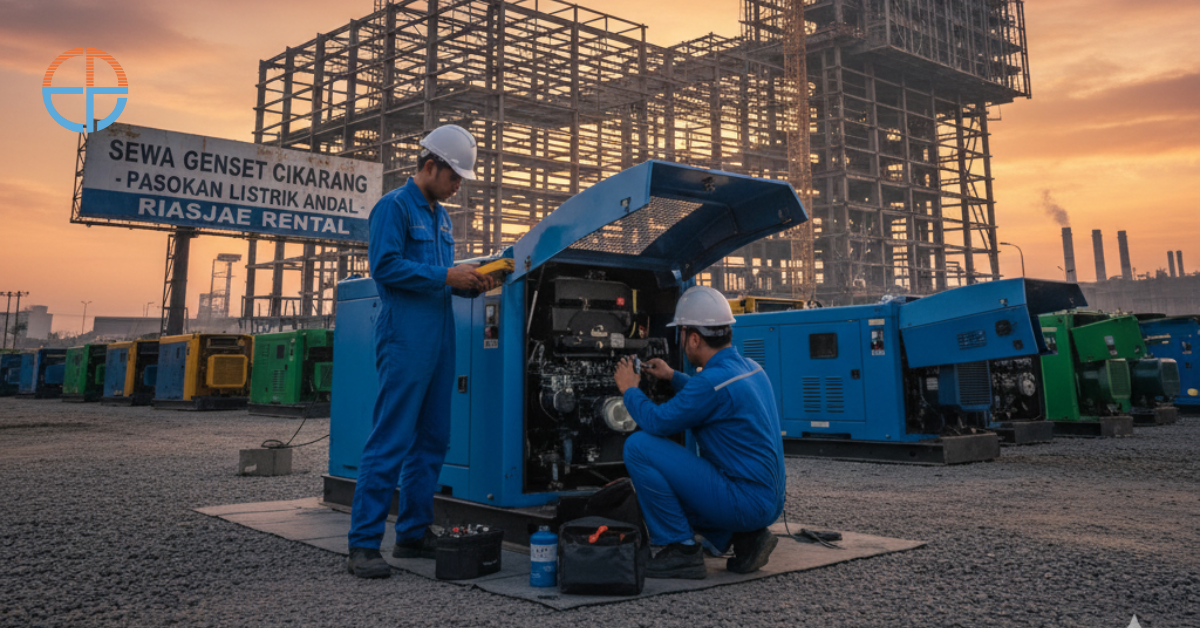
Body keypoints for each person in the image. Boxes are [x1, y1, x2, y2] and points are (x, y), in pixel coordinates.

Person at [346, 125, 497, 579]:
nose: (458, 186)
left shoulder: (440, 217)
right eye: (455, 177)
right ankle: (364, 544)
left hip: (440, 335)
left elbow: (437, 275)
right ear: (430, 166)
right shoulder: (393, 208)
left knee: (434, 438)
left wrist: (471, 282)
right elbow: (385, 266)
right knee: (391, 436)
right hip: (405, 337)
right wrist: (448, 276)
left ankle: (413, 532)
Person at [612, 285, 786, 580]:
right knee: (686, 474)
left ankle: (680, 550)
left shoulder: (709, 383)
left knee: (639, 447)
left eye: (681, 334)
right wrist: (672, 376)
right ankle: (746, 538)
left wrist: (629, 389)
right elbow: (711, 395)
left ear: (694, 338)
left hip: (744, 502)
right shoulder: (752, 369)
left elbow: (656, 422)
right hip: (769, 502)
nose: (680, 342)